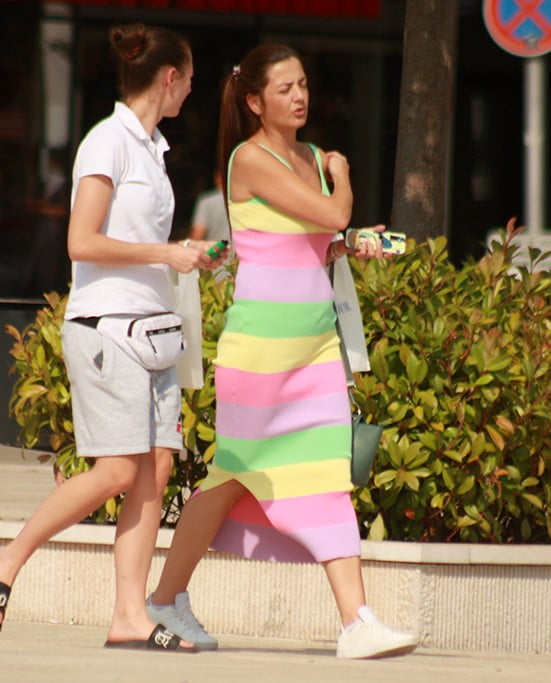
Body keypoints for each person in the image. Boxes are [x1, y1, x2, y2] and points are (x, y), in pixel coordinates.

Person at [145, 44, 417, 660]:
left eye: (303, 85)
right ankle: (163, 599)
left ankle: (356, 621)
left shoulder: (311, 156)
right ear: (254, 100)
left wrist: (349, 244)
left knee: (325, 477)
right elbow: (332, 210)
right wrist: (343, 178)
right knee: (230, 480)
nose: (299, 97)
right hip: (261, 355)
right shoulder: (250, 159)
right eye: (285, 88)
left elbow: (314, 238)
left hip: (315, 347)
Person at [0, 23, 227, 652]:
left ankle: (129, 616)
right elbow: (80, 241)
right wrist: (165, 252)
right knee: (117, 470)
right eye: (190, 80)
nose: (191, 91)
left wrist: (182, 254)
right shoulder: (107, 143)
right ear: (170, 78)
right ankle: (5, 559)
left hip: (153, 332)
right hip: (107, 331)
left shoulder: (153, 150)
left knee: (156, 469)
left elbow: (138, 243)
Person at [187, 172, 230, 244]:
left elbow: (197, 235)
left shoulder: (206, 201)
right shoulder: (245, 201)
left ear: (217, 178)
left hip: (215, 249)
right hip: (240, 250)